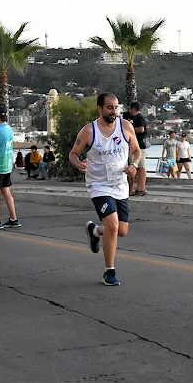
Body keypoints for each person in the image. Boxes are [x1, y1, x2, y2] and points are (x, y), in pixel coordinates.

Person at [69, 93, 141, 286]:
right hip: (99, 186)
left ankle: (95, 231)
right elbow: (73, 154)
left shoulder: (125, 127)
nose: (114, 112)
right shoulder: (89, 131)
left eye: (116, 108)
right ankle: (109, 272)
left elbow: (136, 151)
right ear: (99, 108)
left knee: (121, 230)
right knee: (113, 225)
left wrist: (134, 164)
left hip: (120, 186)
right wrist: (78, 164)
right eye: (109, 107)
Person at [126, 102, 149, 196]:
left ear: (133, 109)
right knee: (138, 168)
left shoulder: (139, 118)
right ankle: (139, 187)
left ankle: (142, 188)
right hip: (136, 146)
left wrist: (130, 130)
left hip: (140, 146)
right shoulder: (136, 118)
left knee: (141, 167)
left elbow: (141, 129)